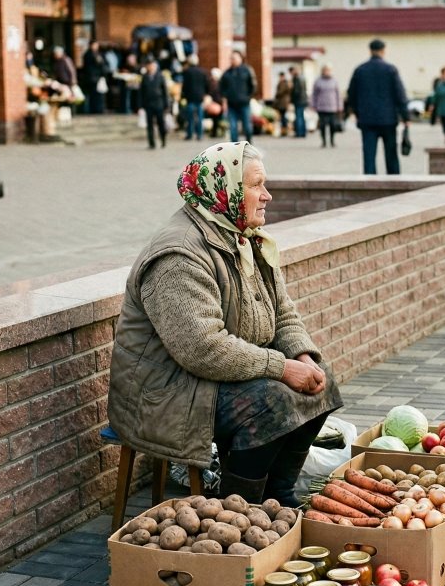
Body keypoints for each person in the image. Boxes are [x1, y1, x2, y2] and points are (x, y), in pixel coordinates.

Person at [107, 141, 343, 504]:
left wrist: (303, 357)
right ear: (225, 189)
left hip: (208, 378)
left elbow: (283, 312)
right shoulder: (180, 254)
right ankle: (239, 508)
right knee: (271, 402)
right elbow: (203, 349)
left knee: (320, 383)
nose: (267, 195)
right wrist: (281, 368)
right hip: (166, 393)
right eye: (256, 185)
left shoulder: (244, 238)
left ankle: (277, 496)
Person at [346, 38, 410, 175]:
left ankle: (369, 183)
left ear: (370, 51)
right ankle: (394, 183)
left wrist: (357, 113)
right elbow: (400, 94)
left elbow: (351, 94)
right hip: (388, 120)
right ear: (383, 51)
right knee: (391, 155)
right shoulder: (390, 69)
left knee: (369, 156)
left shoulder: (360, 70)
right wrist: (405, 116)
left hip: (367, 120)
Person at [220, 50, 258, 144]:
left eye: (234, 58)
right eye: (231, 58)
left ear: (240, 58)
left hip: (244, 103)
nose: (232, 60)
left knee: (247, 127)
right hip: (232, 104)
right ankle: (235, 146)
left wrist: (248, 96)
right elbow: (222, 88)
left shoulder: (247, 70)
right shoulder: (227, 73)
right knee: (233, 128)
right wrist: (224, 100)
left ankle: (249, 143)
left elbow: (253, 85)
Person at [139, 55, 170, 149]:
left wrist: (166, 104)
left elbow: (165, 91)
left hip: (159, 103)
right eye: (148, 65)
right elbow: (141, 92)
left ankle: (163, 139)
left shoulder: (160, 76)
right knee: (149, 124)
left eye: (151, 64)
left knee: (161, 123)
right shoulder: (145, 77)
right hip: (148, 104)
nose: (150, 66)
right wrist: (140, 105)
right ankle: (151, 143)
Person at [311, 64, 343, 148]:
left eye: (328, 70)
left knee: (332, 125)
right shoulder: (318, 81)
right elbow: (314, 94)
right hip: (321, 107)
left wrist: (340, 105)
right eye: (325, 70)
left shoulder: (334, 81)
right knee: (322, 125)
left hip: (332, 106)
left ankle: (332, 140)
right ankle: (324, 141)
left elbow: (338, 94)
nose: (327, 72)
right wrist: (313, 105)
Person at [180, 54, 210, 141]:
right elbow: (206, 84)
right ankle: (199, 134)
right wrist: (205, 93)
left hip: (190, 98)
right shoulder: (202, 71)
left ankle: (189, 134)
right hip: (200, 97)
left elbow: (185, 86)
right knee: (199, 117)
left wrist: (183, 95)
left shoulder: (187, 72)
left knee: (190, 118)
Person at [80, 40, 109, 115]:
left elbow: (104, 64)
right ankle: (95, 109)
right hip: (92, 78)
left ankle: (99, 109)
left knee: (99, 95)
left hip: (98, 77)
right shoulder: (88, 54)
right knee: (94, 95)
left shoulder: (98, 54)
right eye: (95, 45)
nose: (96, 47)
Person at [289, 65, 308, 138]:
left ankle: (299, 133)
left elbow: (296, 91)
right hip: (303, 100)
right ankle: (303, 132)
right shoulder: (303, 78)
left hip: (298, 100)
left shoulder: (296, 79)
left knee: (299, 117)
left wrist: (292, 99)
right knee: (302, 117)